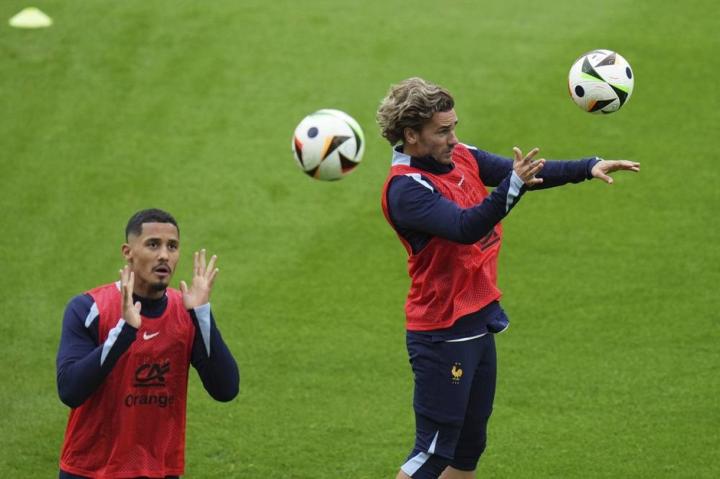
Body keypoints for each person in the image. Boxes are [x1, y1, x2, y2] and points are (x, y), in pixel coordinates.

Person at [377, 77, 639, 479]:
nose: (453, 138)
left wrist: (587, 167)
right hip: (442, 332)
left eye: (454, 127)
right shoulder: (406, 189)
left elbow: (525, 172)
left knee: (467, 449)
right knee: (432, 453)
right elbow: (465, 226)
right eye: (442, 131)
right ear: (411, 135)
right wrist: (512, 187)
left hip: (478, 320)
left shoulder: (462, 156)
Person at [56, 208, 240, 479]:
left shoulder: (185, 312)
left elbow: (225, 389)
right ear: (128, 252)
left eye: (172, 246)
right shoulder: (88, 307)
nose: (164, 255)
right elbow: (70, 390)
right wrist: (125, 331)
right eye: (153, 244)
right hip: (90, 470)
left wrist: (202, 314)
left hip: (159, 470)